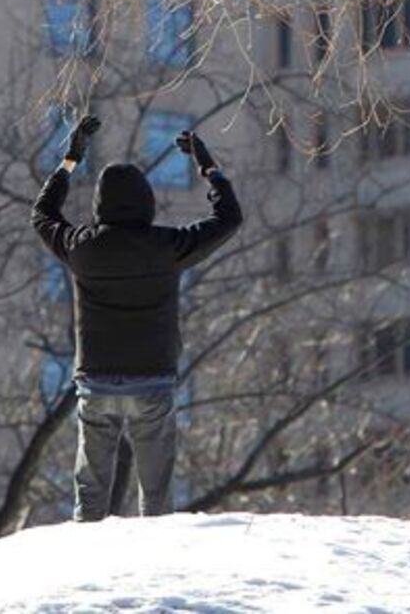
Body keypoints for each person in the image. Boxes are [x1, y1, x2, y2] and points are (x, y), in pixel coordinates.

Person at [31, 114, 243, 521]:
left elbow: (42, 215)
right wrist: (207, 168)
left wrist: (70, 161)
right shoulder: (167, 245)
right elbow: (229, 219)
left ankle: (89, 572)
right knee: (157, 493)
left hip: (96, 381)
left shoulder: (82, 247)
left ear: (99, 206)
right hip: (153, 382)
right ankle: (153, 570)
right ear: (146, 202)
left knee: (90, 494)